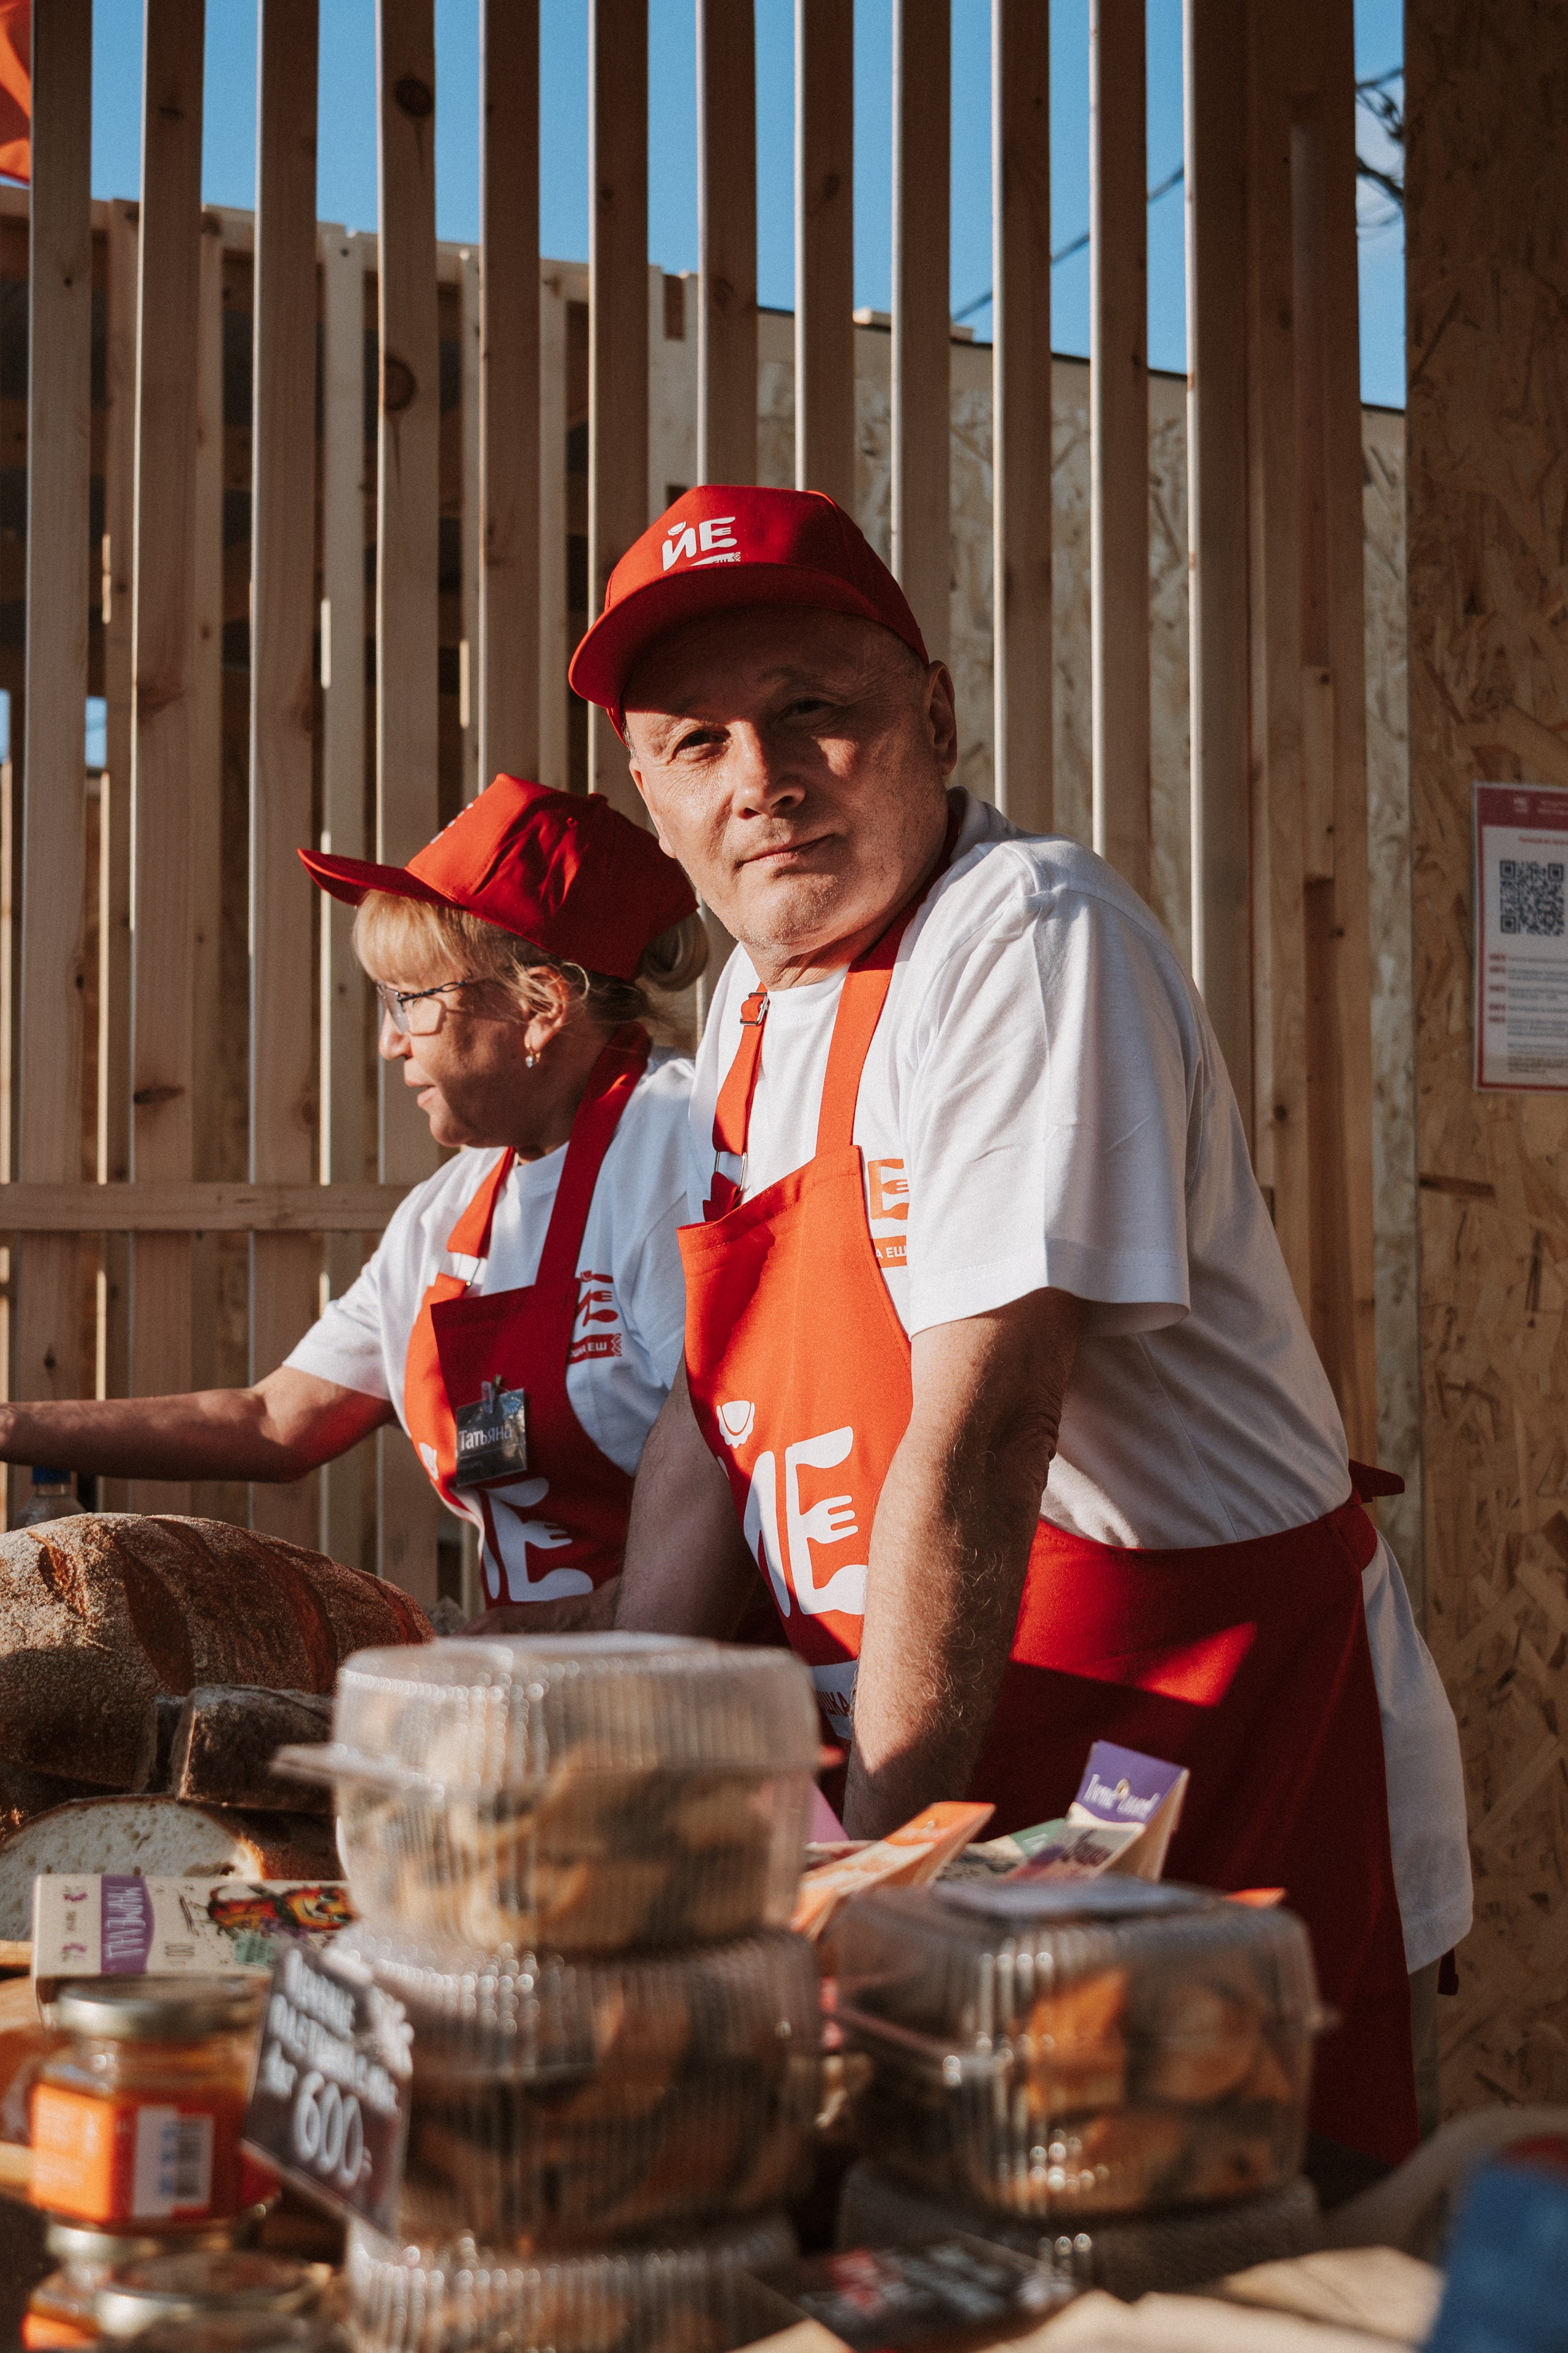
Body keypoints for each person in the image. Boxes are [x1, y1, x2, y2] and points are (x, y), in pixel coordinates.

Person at [568, 484, 1472, 2165]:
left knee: (1215, 2235)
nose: (759, 778)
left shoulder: (1027, 936)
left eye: (810, 711)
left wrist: (879, 1893)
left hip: (1192, 1738)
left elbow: (985, 1432)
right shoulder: (747, 1012)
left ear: (934, 716)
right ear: (653, 799)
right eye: (697, 743)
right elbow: (709, 1421)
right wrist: (613, 1765)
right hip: (950, 1729)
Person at [0, 774, 704, 1633]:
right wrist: (11, 1425)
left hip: (708, 1685)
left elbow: (739, 1457)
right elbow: (276, 1420)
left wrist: (548, 1634)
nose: (387, 1042)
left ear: (540, 1006)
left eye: (410, 1001)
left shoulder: (681, 1154)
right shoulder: (445, 1214)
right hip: (545, 1684)